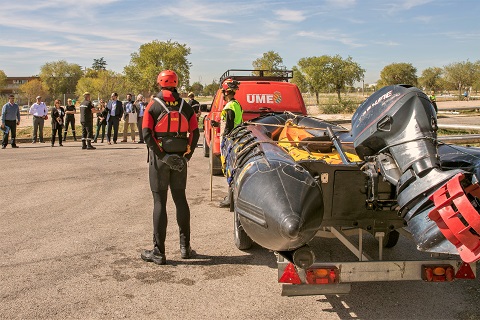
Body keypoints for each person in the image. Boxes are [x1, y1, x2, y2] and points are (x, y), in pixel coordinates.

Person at [141, 70, 200, 265]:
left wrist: (163, 157)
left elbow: (147, 134)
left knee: (160, 202)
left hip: (160, 159)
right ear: (175, 83)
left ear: (159, 83)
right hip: (180, 157)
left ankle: (159, 252)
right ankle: (185, 248)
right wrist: (186, 157)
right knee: (180, 199)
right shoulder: (186, 106)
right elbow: (195, 133)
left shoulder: (153, 105)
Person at [218, 78, 243, 208]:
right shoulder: (237, 104)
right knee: (232, 168)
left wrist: (225, 140)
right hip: (237, 138)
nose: (222, 94)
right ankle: (231, 197)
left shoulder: (229, 106)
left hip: (230, 140)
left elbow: (229, 125)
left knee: (229, 168)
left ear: (226, 92)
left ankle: (230, 199)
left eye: (223, 91)